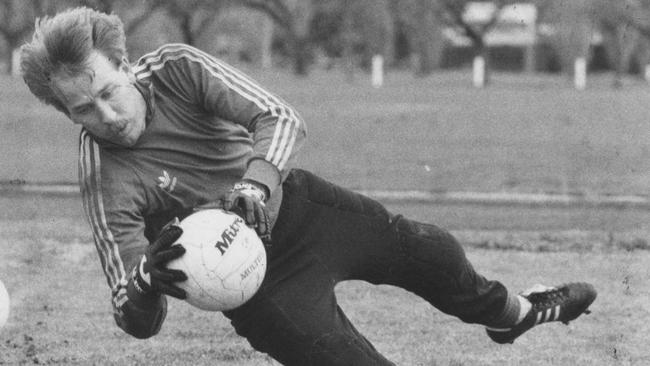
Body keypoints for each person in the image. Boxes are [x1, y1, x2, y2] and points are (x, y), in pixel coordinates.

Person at [20, 7, 597, 366]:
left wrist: (256, 184)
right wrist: (147, 279)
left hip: (302, 207)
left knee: (429, 250)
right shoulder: (103, 178)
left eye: (107, 90)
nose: (107, 115)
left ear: (123, 63)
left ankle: (513, 314)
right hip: (252, 286)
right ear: (68, 116)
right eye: (83, 110)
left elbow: (279, 117)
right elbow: (134, 320)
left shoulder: (176, 67)